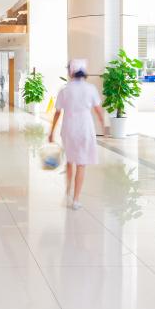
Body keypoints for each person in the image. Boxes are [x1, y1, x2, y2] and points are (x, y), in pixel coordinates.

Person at [48, 59, 107, 211]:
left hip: (69, 128)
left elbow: (57, 113)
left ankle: (68, 191)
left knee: (70, 161)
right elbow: (98, 111)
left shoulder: (64, 90)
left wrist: (51, 132)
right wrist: (103, 126)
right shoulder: (91, 89)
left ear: (71, 72)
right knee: (81, 164)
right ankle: (76, 200)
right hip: (85, 128)